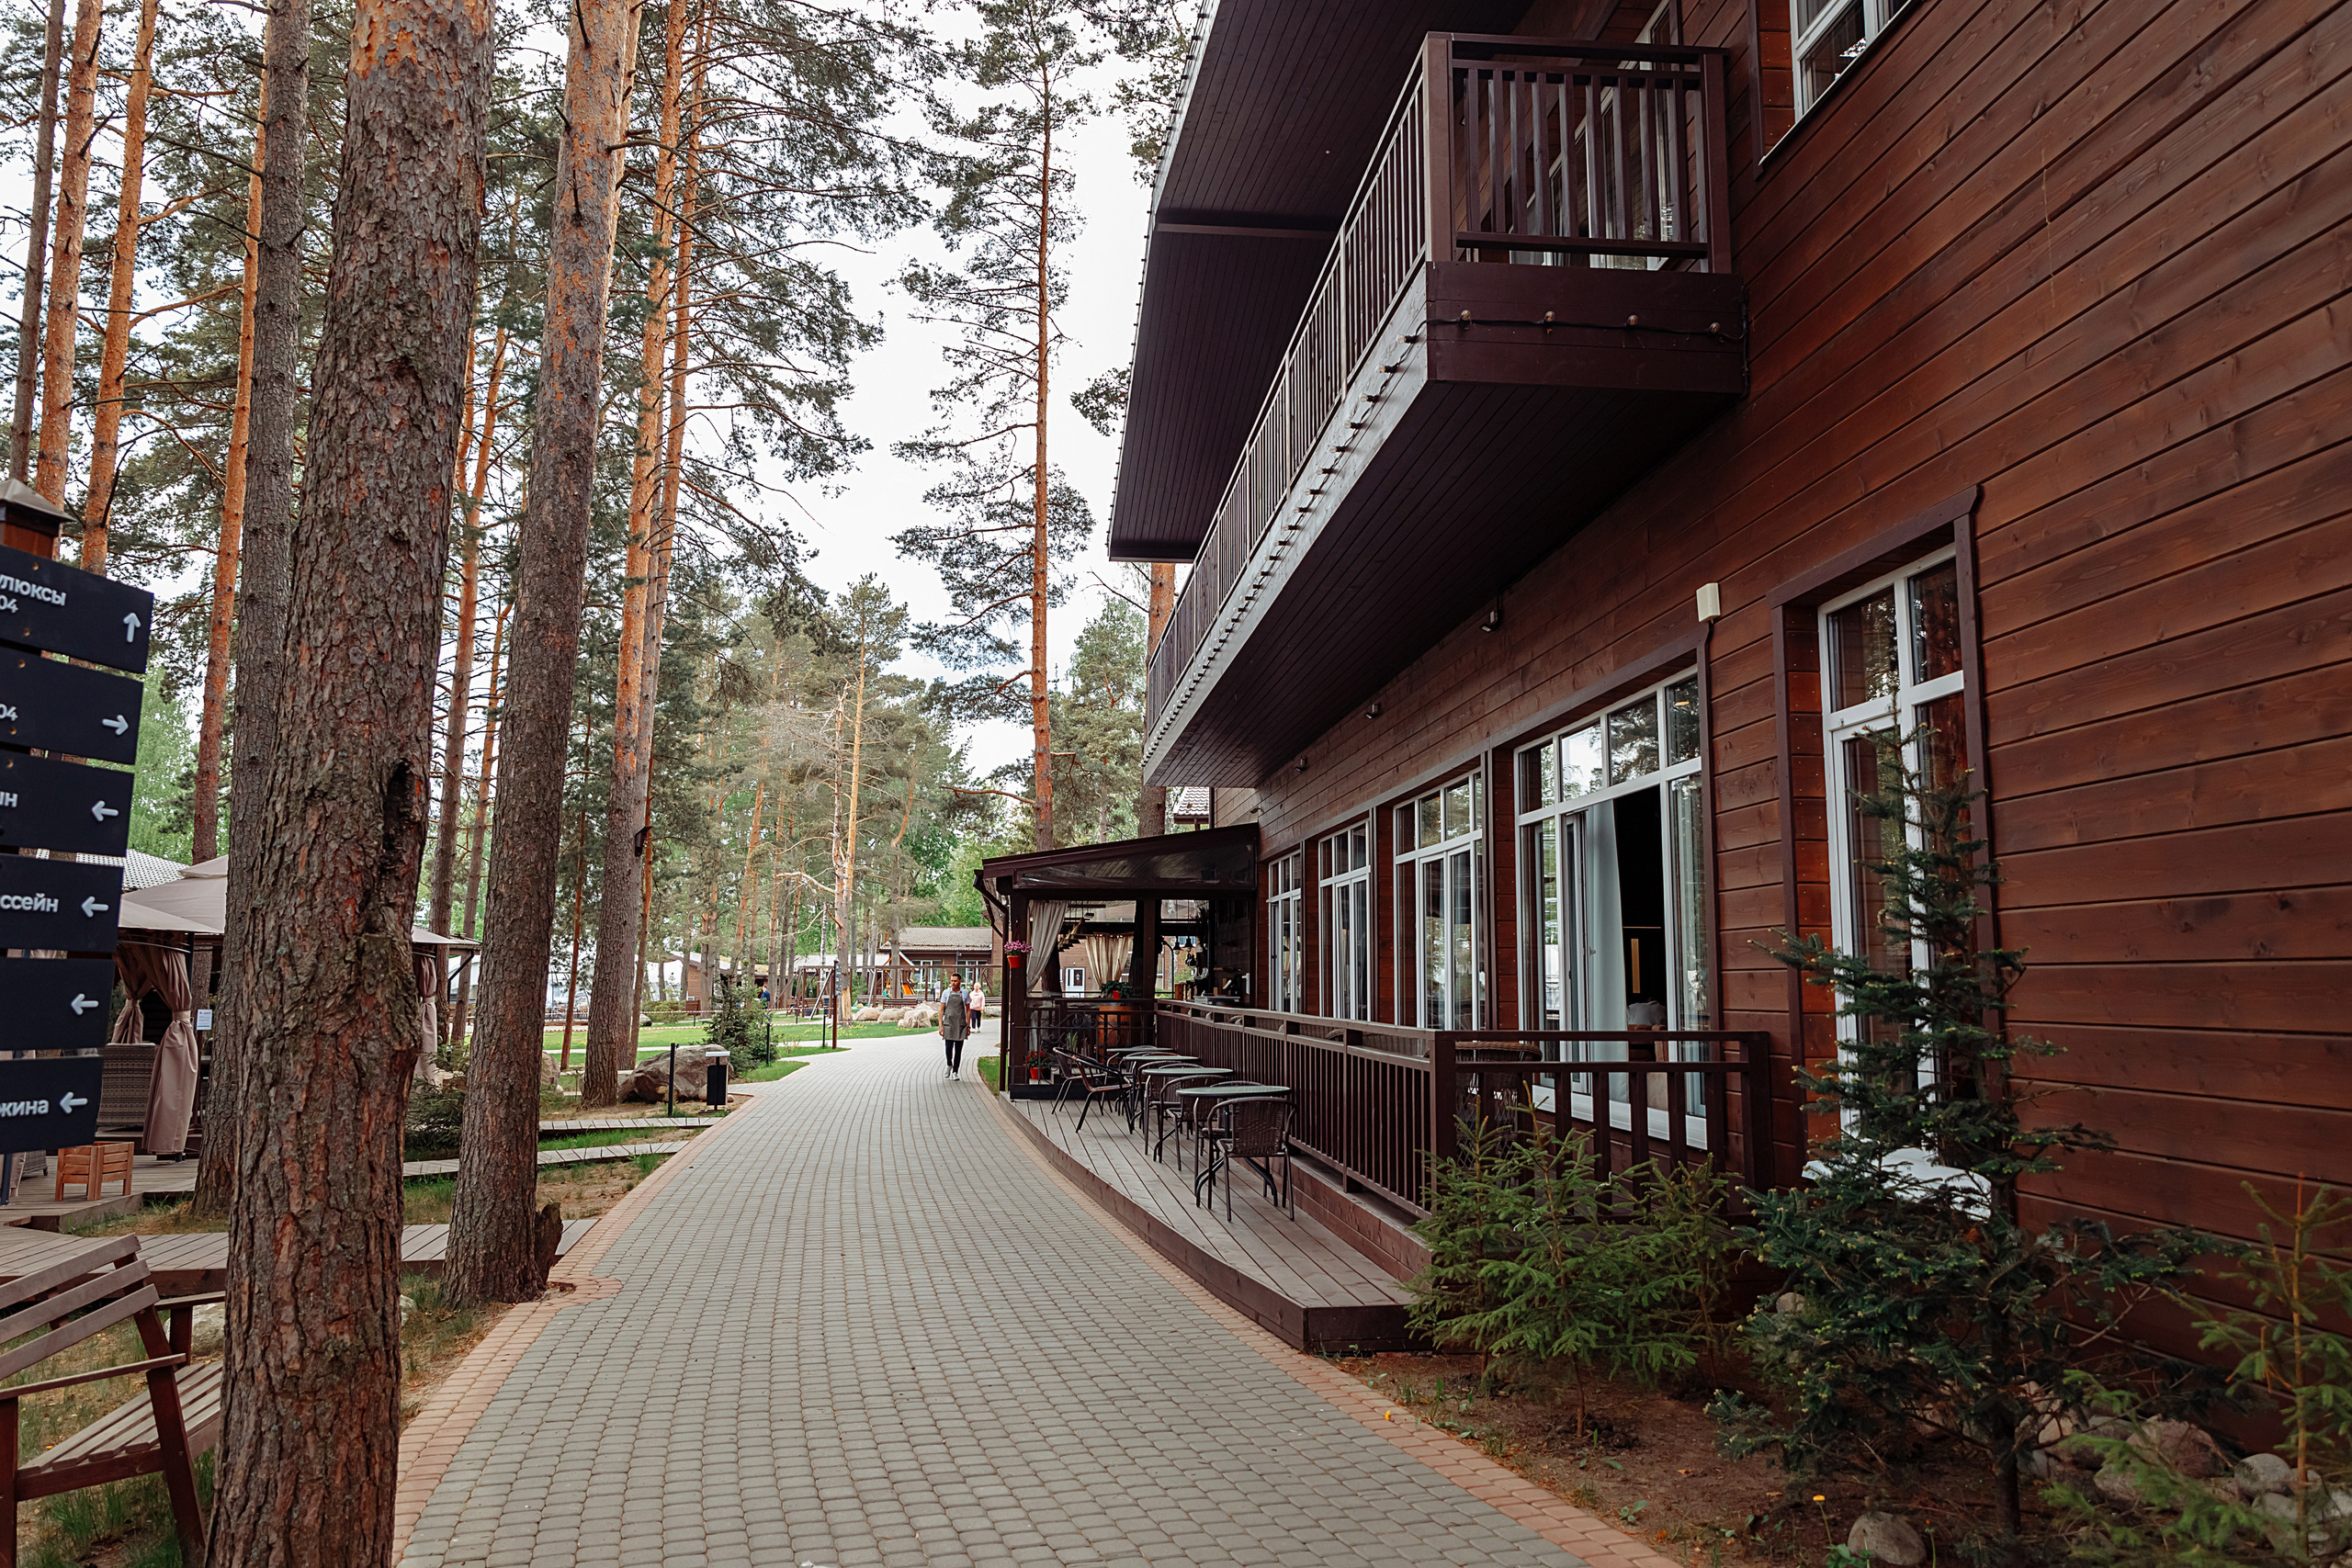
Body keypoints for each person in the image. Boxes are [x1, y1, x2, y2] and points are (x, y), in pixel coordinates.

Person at [940, 974, 974, 1080]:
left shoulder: (965, 993)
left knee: (958, 1050)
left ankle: (955, 1072)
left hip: (961, 1024)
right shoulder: (946, 993)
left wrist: (968, 1025)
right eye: (951, 981)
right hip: (948, 1024)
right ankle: (949, 1064)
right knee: (948, 1047)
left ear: (960, 981)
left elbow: (968, 1010)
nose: (953, 983)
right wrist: (940, 1025)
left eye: (955, 981)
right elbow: (941, 1010)